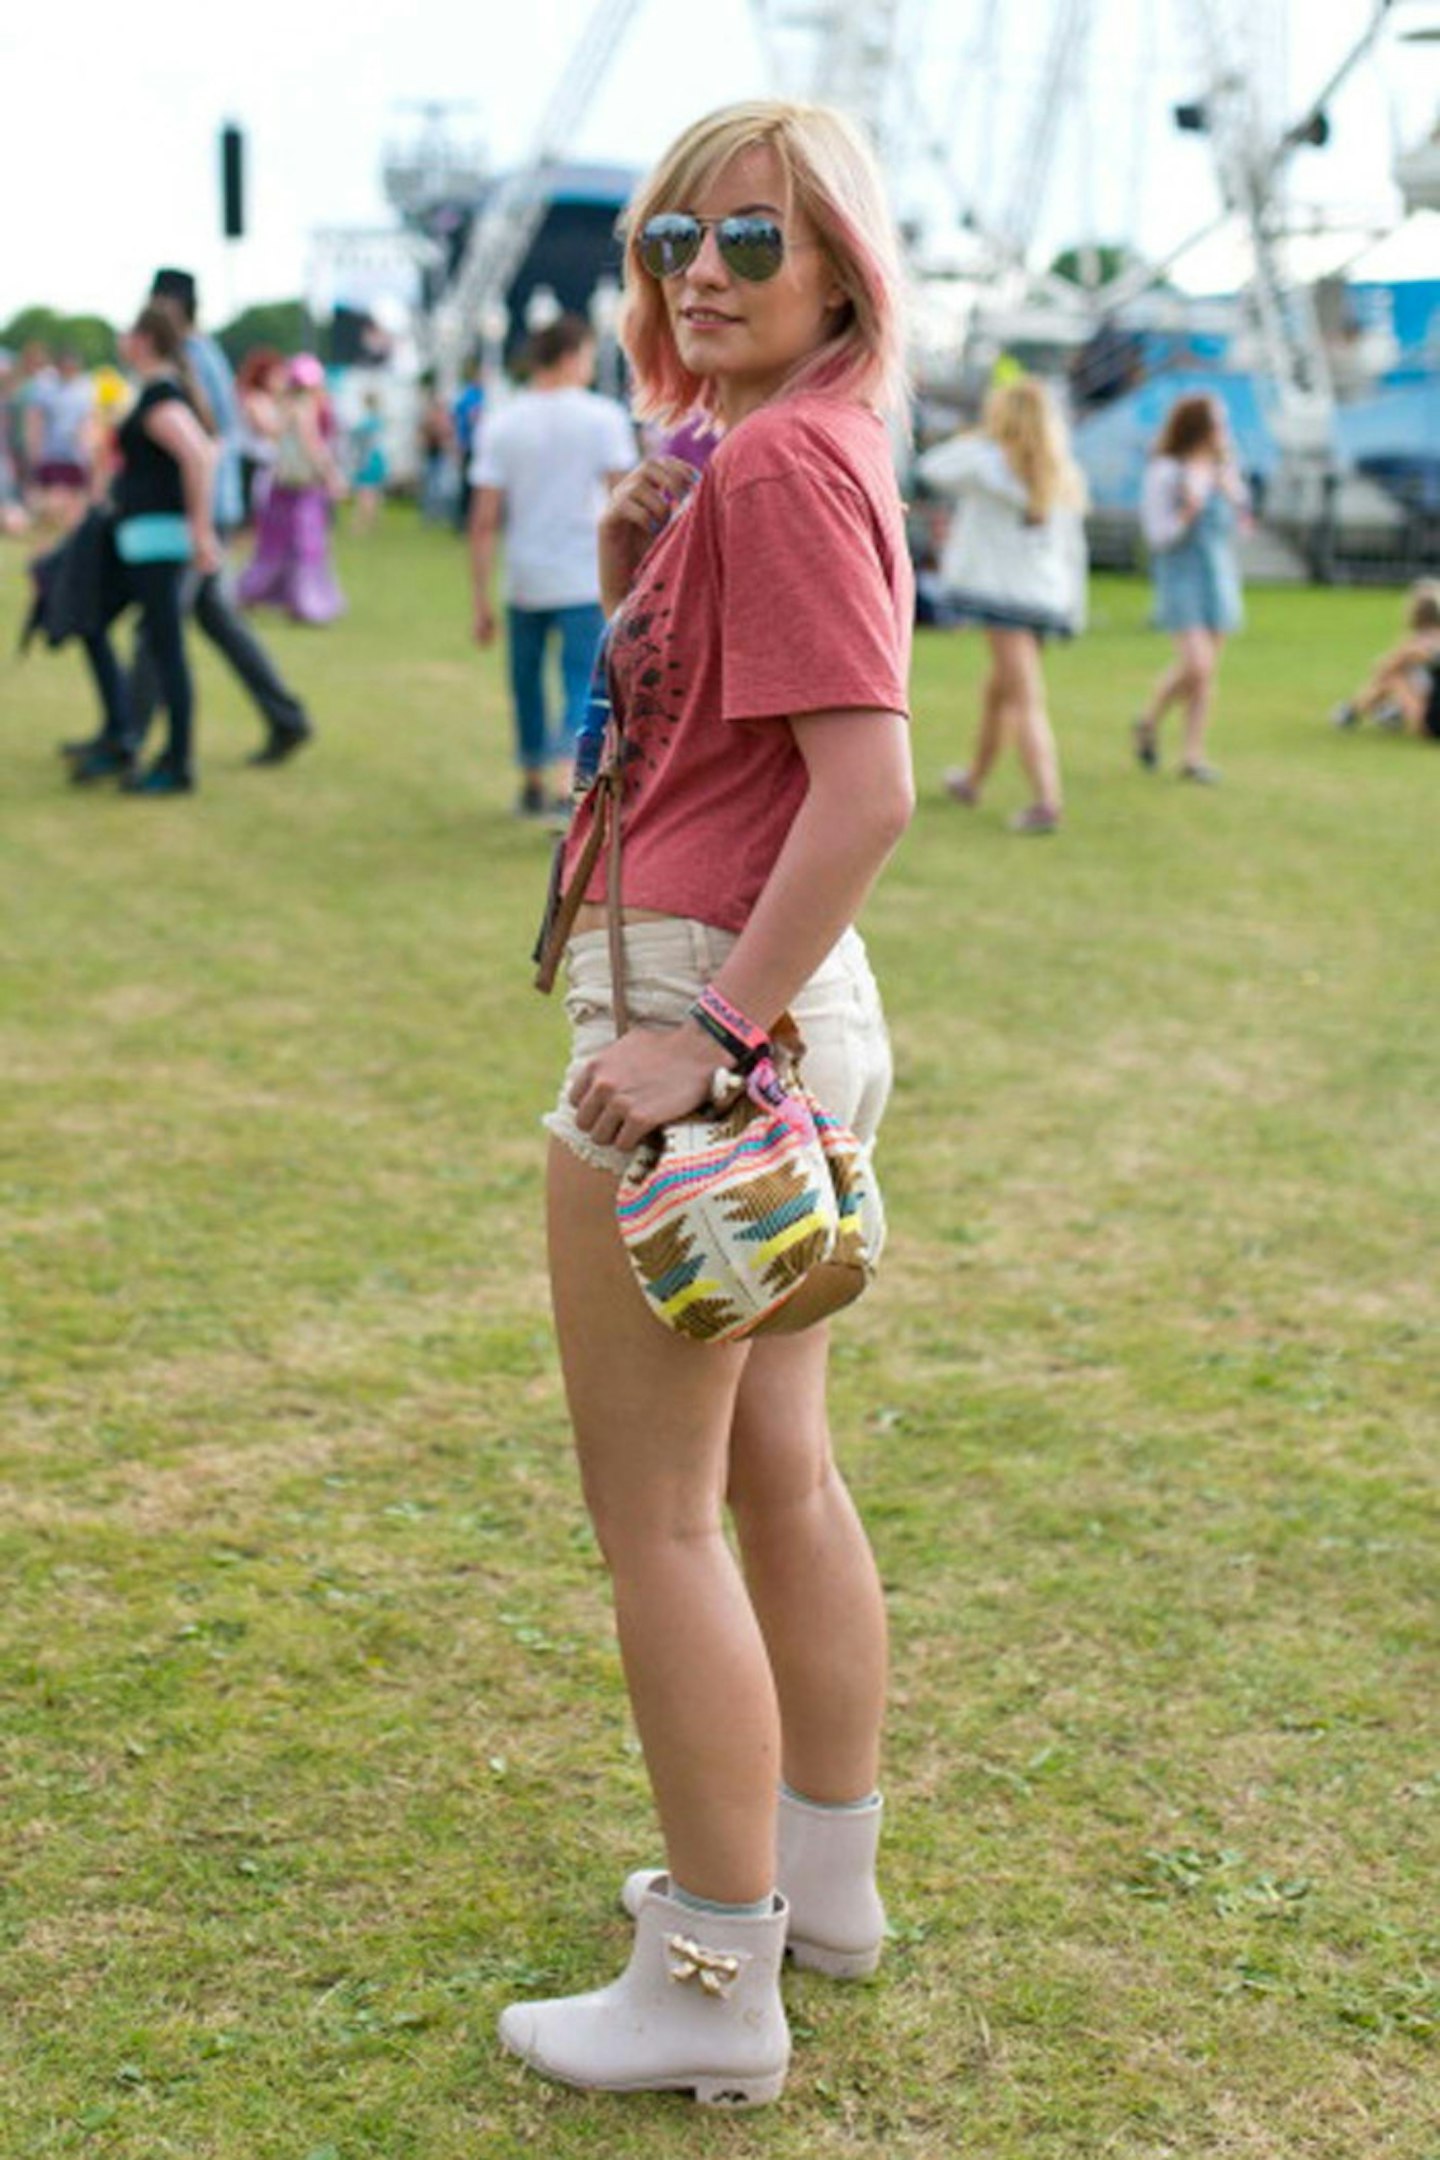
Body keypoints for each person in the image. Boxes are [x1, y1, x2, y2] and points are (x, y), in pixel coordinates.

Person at [498, 99, 914, 2108]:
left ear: (842, 261)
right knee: (775, 1478)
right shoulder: (760, 460)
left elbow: (870, 789)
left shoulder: (784, 465)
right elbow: (722, 748)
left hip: (705, 997)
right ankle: (818, 1895)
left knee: (658, 1518)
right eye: (675, 239)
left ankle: (709, 1983)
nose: (702, 274)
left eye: (753, 239)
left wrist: (705, 1042)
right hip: (760, 987)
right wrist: (625, 570)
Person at [123, 272, 314, 767]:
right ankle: (286, 716)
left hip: (201, 513)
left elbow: (208, 443)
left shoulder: (193, 356)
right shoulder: (198, 355)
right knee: (215, 621)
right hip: (207, 509)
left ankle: (128, 734)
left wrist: (200, 523)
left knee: (158, 629)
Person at [468, 314, 635, 817]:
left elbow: (484, 518)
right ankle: (571, 779)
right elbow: (624, 500)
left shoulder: (503, 420)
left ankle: (531, 778)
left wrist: (479, 596)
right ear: (570, 357)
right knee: (583, 681)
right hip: (585, 574)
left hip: (524, 574)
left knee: (526, 681)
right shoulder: (603, 417)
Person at [917, 376, 1087, 833]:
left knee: (1026, 700)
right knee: (1000, 694)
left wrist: (980, 437)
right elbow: (1073, 550)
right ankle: (973, 779)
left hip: (1003, 599)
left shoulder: (987, 464)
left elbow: (933, 466)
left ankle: (1046, 801)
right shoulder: (1059, 472)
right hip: (1045, 598)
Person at [70, 303, 219, 795]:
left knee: (166, 648)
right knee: (94, 620)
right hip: (138, 538)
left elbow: (200, 454)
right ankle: (122, 735)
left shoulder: (160, 400)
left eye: (129, 332)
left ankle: (177, 762)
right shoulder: (146, 396)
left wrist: (201, 530)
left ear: (147, 340)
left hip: (160, 541)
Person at [1134, 392, 1248, 783]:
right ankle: (1150, 721)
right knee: (1196, 664)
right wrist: (1188, 510)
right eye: (1218, 423)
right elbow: (1157, 535)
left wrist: (1234, 501)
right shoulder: (1168, 470)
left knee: (1205, 671)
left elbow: (1239, 522)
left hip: (1217, 573)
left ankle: (1191, 754)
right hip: (1181, 573)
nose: (1224, 431)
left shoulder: (1224, 468)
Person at [237, 354, 346, 624]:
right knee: (305, 548)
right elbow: (313, 447)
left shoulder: (283, 406)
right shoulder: (302, 408)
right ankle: (305, 603)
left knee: (273, 547)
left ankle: (257, 593)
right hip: (300, 488)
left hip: (281, 486)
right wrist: (332, 475)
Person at [1330, 579, 1440, 739]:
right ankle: (1389, 711)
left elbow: (1381, 668)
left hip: (1430, 726)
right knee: (1409, 674)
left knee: (1393, 676)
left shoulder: (1415, 645)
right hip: (1430, 698)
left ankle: (1353, 710)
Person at [25, 347, 96, 529]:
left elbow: (87, 422)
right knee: (51, 498)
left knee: (74, 499)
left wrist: (87, 450)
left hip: (74, 454)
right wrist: (34, 449)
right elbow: (36, 420)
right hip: (51, 453)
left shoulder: (84, 388)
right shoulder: (45, 387)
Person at [349, 390, 388, 535]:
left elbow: (357, 440)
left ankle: (360, 525)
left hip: (367, 460)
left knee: (364, 494)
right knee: (373, 493)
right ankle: (371, 524)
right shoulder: (378, 421)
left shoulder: (365, 422)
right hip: (377, 460)